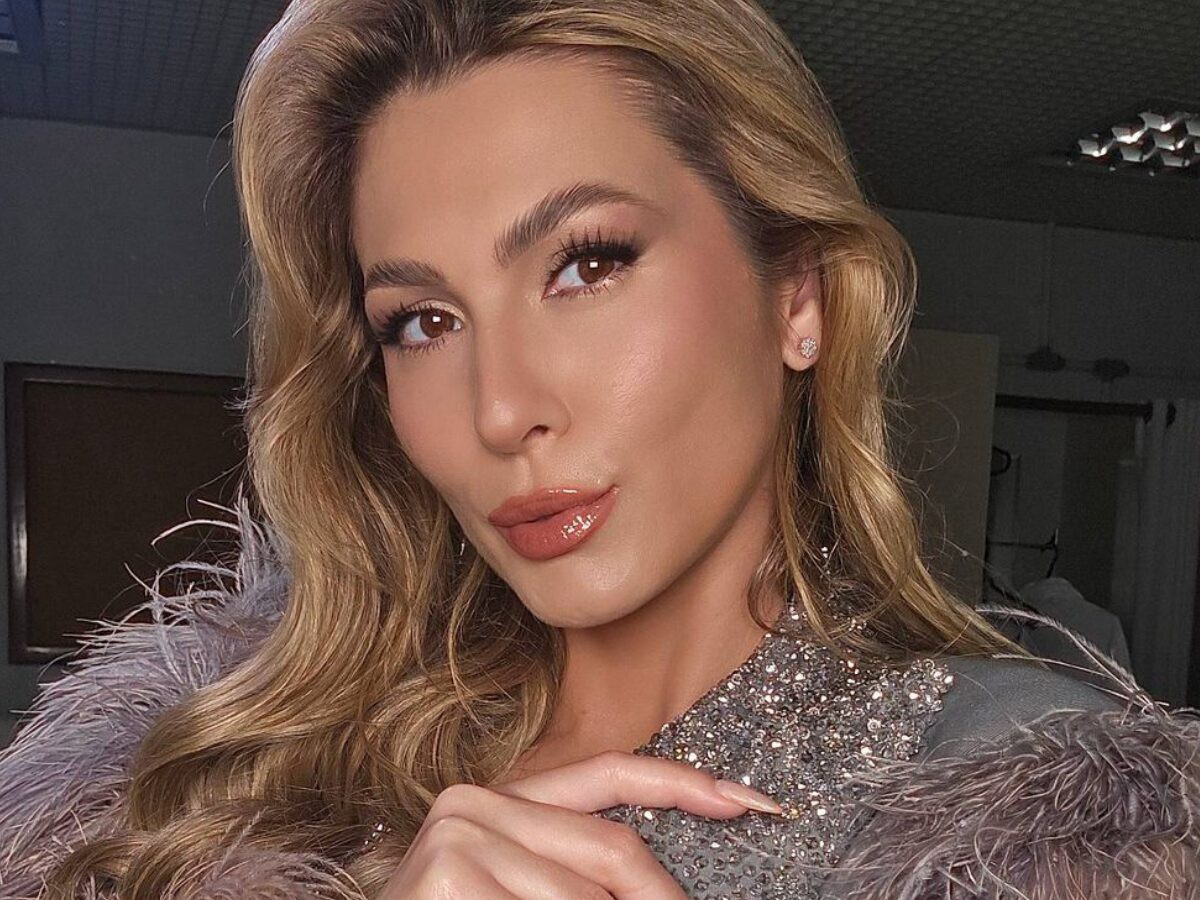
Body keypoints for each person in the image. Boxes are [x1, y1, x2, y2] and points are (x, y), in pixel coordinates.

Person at [1, 0, 1196, 897]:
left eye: (585, 264)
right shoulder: (227, 765)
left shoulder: (1031, 817)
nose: (500, 410)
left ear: (799, 296)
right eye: (422, 323)